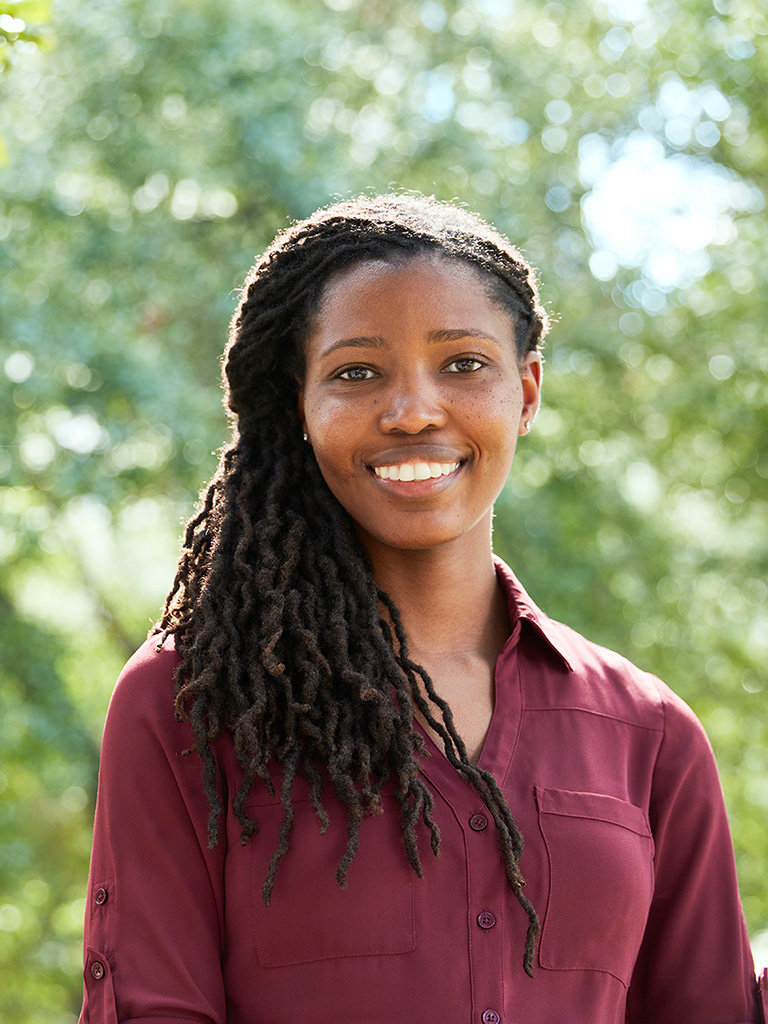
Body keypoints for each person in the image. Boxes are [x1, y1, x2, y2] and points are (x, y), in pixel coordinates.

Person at [78, 194, 765, 1024]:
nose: (412, 410)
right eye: (357, 372)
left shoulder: (651, 736)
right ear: (299, 404)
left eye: (465, 364)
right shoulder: (182, 703)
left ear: (527, 393)